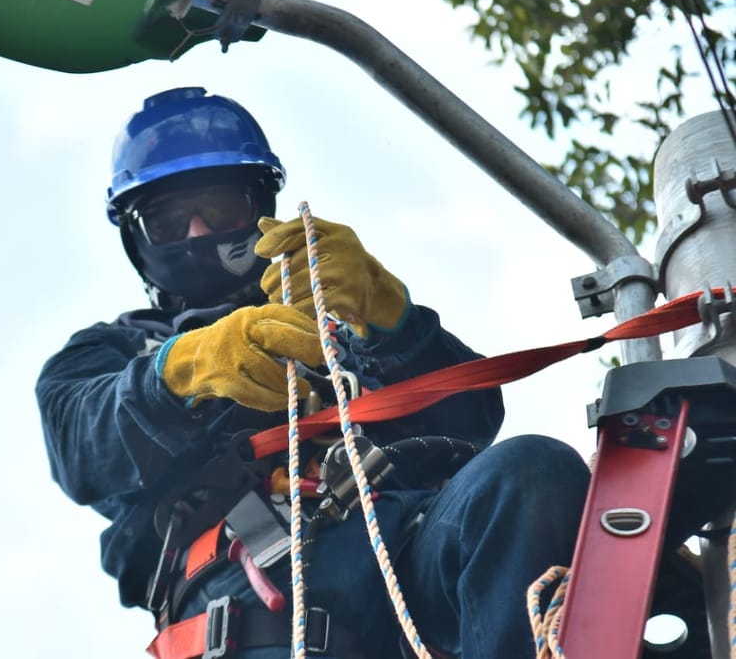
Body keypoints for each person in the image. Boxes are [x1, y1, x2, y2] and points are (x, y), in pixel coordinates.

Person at [36, 86, 590, 658]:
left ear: (259, 210)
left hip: (408, 555)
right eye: (171, 221)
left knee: (529, 474)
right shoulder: (115, 351)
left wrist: (390, 320)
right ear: (136, 237)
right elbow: (80, 444)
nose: (199, 234)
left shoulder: (337, 328)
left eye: (221, 211)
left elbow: (469, 422)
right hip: (249, 606)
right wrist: (182, 368)